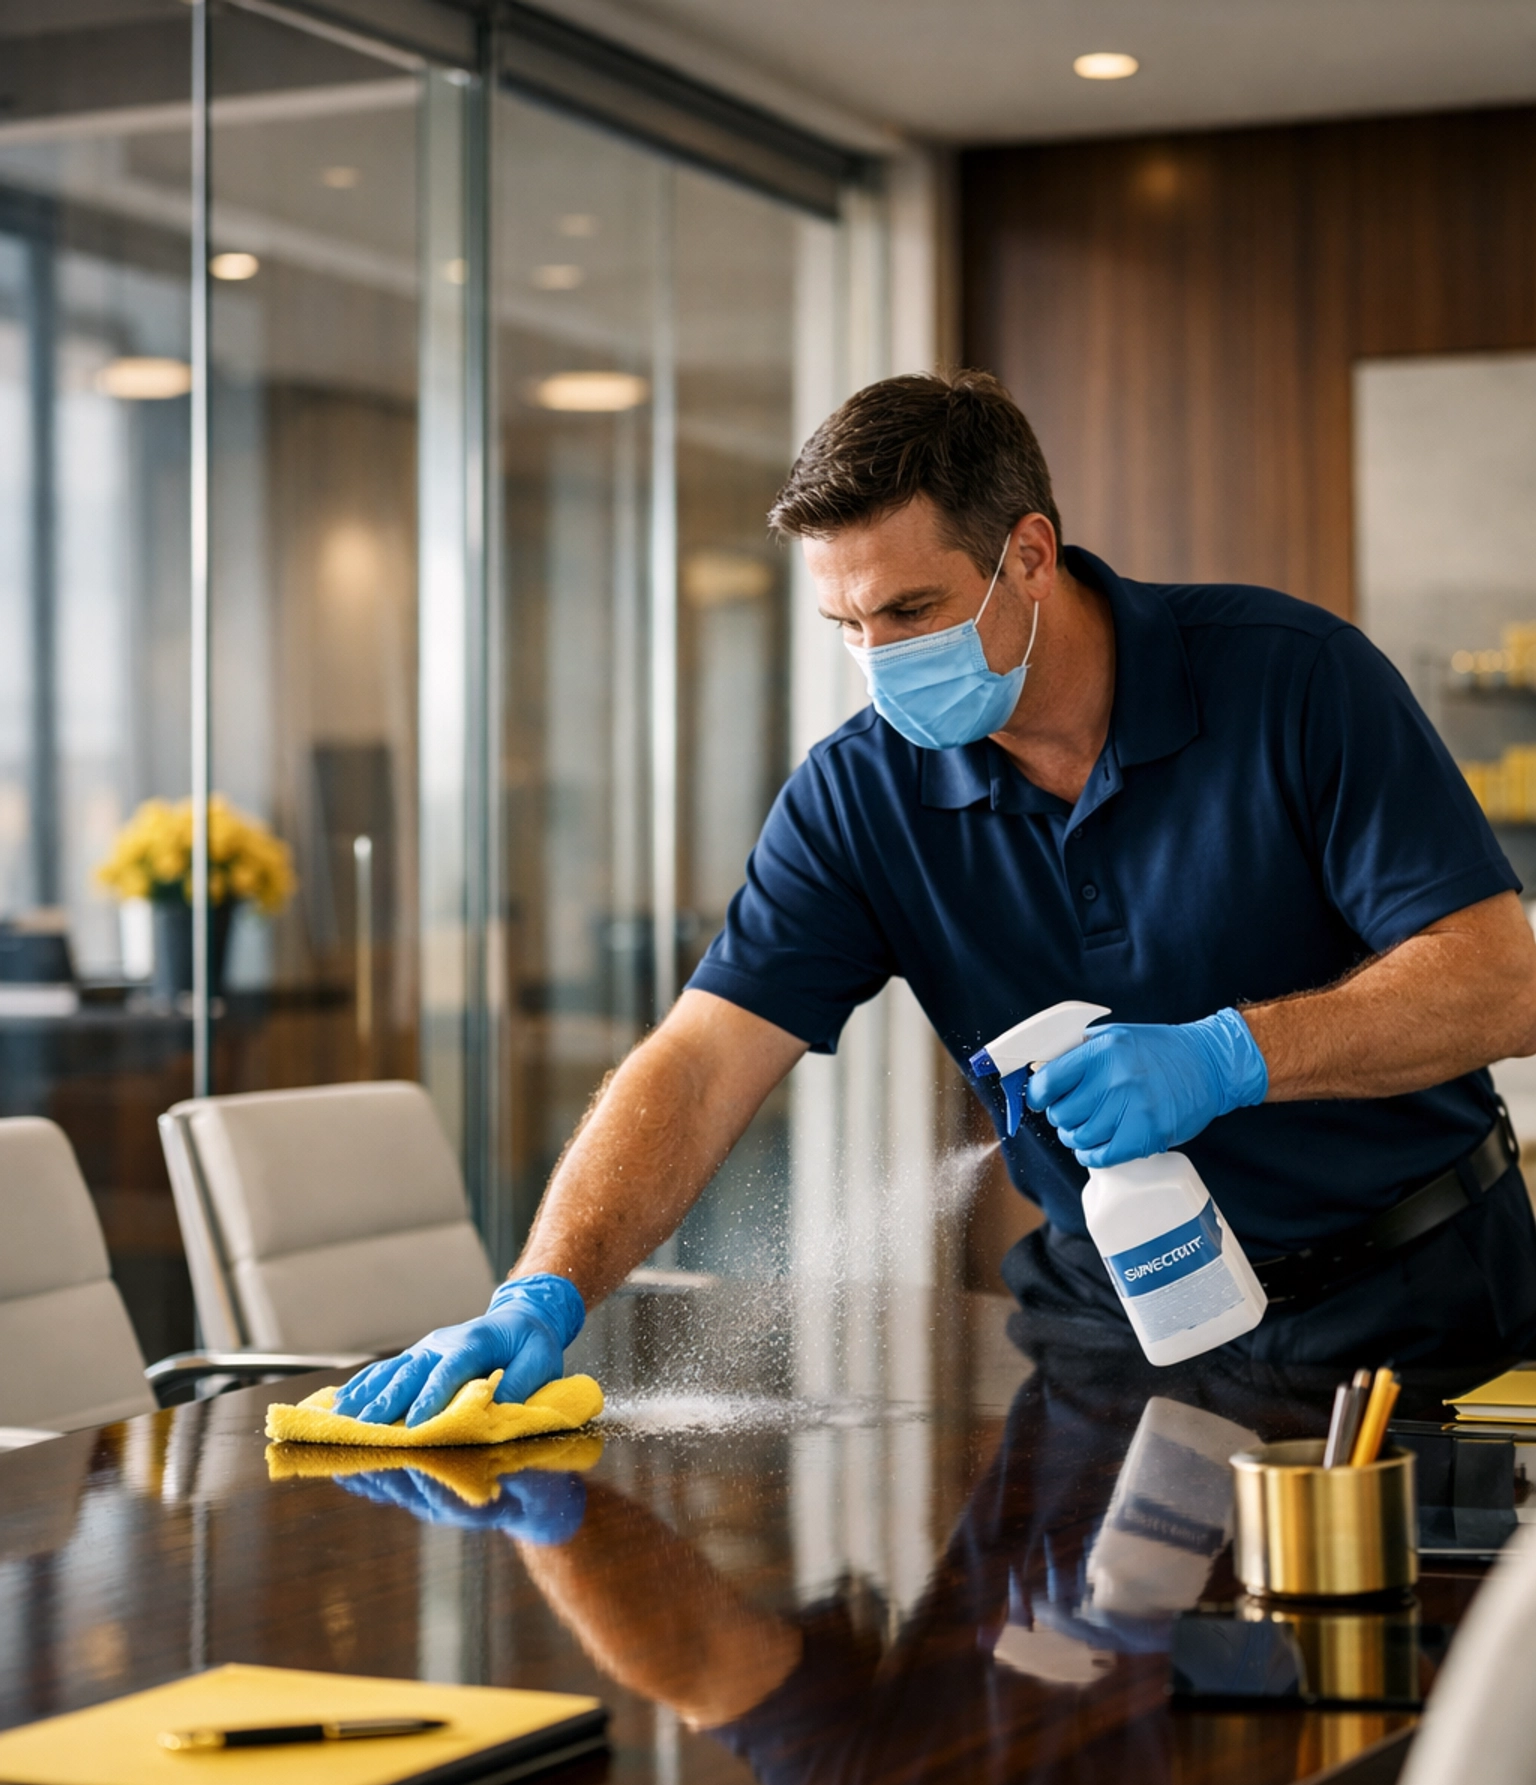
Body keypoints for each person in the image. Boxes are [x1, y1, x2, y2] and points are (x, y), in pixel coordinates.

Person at [338, 369, 1536, 1422]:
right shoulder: (859, 798)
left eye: (910, 610)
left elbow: (1501, 981)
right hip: (1116, 1328)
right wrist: (546, 1286)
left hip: (1416, 1308)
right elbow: (702, 1060)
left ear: (1028, 552)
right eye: (846, 624)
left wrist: (1231, 1057)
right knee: (1057, 1679)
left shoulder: (1295, 682)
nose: (880, 655)